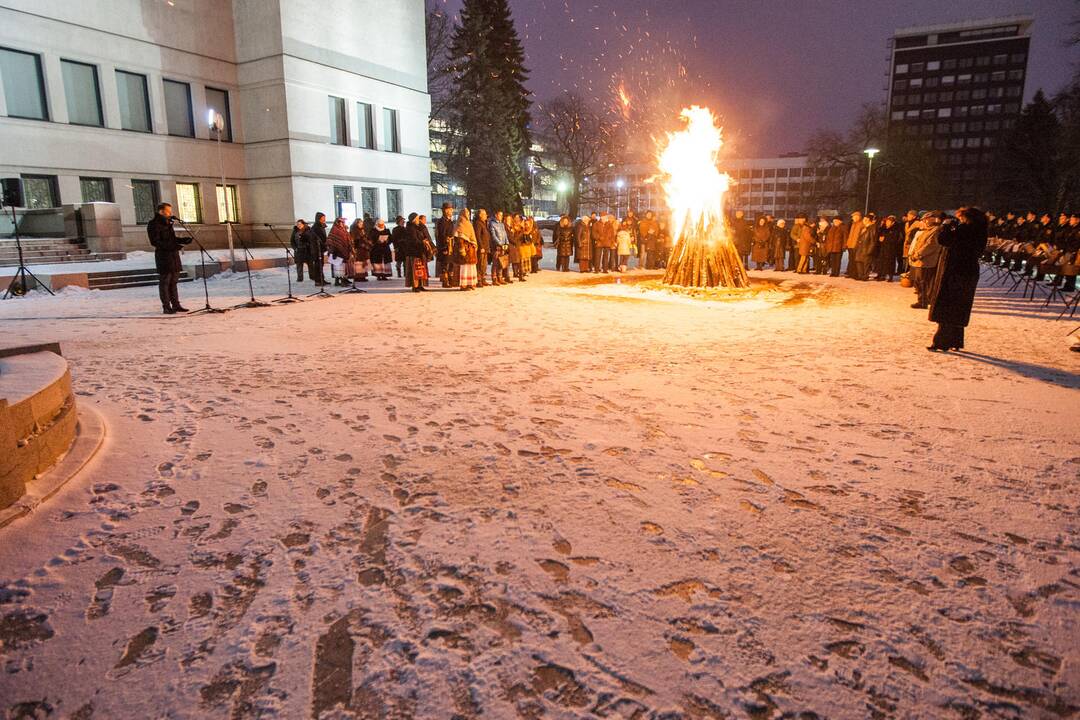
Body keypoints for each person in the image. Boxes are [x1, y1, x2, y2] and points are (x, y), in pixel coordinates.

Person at [927, 208, 988, 351]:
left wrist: (945, 226)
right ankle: (955, 341)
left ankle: (941, 342)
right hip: (968, 272)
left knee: (947, 306)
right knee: (959, 307)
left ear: (967, 218)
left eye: (960, 217)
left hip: (955, 271)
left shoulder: (965, 230)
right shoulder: (979, 230)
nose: (959, 220)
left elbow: (943, 240)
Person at [147, 202, 190, 314]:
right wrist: (173, 246)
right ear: (161, 211)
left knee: (174, 281)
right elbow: (155, 242)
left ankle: (176, 304)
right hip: (164, 257)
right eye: (168, 211)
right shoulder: (154, 224)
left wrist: (182, 240)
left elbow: (171, 238)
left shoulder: (168, 223)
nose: (170, 213)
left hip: (173, 256)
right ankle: (166, 306)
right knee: (165, 282)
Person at [908, 212, 943, 309]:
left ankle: (923, 301)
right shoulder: (927, 230)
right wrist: (914, 253)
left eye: (927, 219)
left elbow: (930, 245)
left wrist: (918, 254)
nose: (925, 221)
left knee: (923, 282)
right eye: (924, 219)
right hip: (919, 260)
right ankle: (921, 300)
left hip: (926, 261)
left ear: (933, 219)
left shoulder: (935, 230)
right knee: (918, 282)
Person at [454, 208, 479, 290]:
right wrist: (462, 249)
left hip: (471, 249)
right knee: (464, 267)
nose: (468, 214)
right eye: (467, 213)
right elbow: (459, 237)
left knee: (471, 267)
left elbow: (472, 236)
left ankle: (470, 283)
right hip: (464, 248)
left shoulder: (469, 223)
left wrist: (474, 244)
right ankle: (463, 285)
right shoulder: (460, 223)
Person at [326, 217, 355, 286]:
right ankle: (341, 281)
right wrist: (333, 250)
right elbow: (331, 241)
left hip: (343, 251)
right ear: (338, 223)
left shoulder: (343, 229)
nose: (343, 223)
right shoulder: (335, 230)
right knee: (339, 267)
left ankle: (343, 279)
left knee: (343, 266)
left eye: (343, 222)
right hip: (336, 252)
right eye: (342, 222)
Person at [436, 202, 456, 287]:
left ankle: (450, 280)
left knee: (451, 263)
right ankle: (445, 281)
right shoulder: (442, 221)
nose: (452, 211)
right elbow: (441, 235)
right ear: (446, 210)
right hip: (445, 246)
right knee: (445, 264)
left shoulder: (450, 221)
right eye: (450, 209)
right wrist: (444, 247)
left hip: (451, 245)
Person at [876, 215, 903, 282]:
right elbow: (879, 235)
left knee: (890, 263)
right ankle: (882, 274)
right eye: (887, 221)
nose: (887, 223)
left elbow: (894, 239)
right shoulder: (884, 228)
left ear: (892, 222)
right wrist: (880, 238)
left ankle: (890, 276)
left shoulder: (895, 229)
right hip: (883, 248)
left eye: (889, 221)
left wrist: (884, 239)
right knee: (882, 262)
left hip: (891, 249)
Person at [290, 219, 316, 283]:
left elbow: (311, 240)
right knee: (299, 264)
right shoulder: (295, 231)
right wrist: (295, 248)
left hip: (307, 250)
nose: (298, 225)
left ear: (303, 224)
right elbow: (292, 241)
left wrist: (309, 246)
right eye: (297, 224)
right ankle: (300, 278)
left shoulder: (308, 230)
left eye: (300, 224)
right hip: (298, 250)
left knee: (310, 264)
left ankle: (312, 276)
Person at [489, 210, 511, 285]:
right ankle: (494, 278)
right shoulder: (492, 224)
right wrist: (500, 243)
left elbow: (505, 234)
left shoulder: (502, 224)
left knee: (501, 262)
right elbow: (493, 235)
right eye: (499, 215)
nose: (501, 217)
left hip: (503, 246)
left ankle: (500, 277)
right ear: (496, 215)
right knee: (495, 263)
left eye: (502, 215)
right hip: (496, 246)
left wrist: (506, 243)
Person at [349, 217, 371, 282]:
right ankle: (357, 277)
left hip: (363, 249)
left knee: (363, 262)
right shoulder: (354, 230)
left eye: (362, 222)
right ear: (356, 223)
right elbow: (354, 240)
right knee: (358, 263)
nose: (362, 224)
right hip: (358, 249)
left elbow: (366, 238)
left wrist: (367, 241)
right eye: (360, 222)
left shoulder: (363, 230)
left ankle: (363, 276)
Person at [310, 212, 329, 285]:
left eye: (324, 218)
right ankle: (318, 280)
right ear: (319, 219)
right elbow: (314, 239)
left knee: (321, 264)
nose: (324, 219)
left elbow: (323, 237)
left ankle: (322, 279)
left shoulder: (322, 226)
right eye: (323, 218)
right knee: (318, 265)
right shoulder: (315, 227)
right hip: (316, 249)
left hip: (321, 248)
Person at [475, 209, 491, 287]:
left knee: (484, 265)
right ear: (480, 215)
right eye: (484, 214)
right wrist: (481, 246)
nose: (486, 215)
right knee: (480, 264)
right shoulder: (478, 223)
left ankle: (483, 278)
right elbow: (478, 236)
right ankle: (479, 280)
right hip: (482, 248)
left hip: (486, 247)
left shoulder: (484, 223)